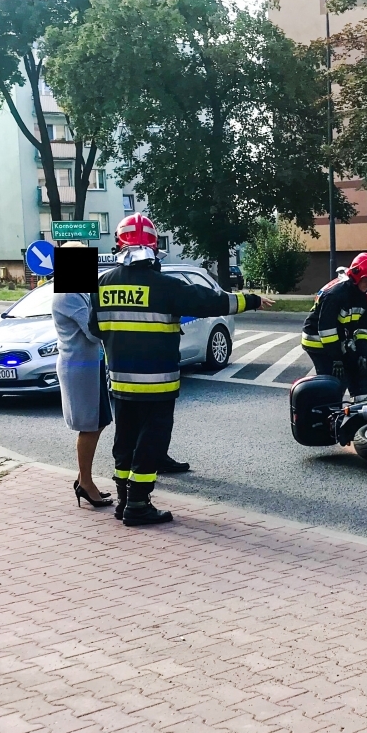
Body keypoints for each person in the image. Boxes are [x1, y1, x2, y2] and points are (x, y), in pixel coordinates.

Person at [93, 213, 271, 525]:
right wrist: (252, 299)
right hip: (157, 382)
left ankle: (123, 499)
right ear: (153, 247)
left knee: (125, 438)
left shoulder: (102, 285)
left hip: (120, 382)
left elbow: (93, 329)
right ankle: (138, 504)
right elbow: (211, 302)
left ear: (119, 246)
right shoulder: (165, 286)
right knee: (152, 441)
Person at [52, 243, 113, 509]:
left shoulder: (80, 290)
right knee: (88, 425)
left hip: (90, 363)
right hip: (77, 367)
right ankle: (85, 483)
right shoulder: (67, 294)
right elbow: (91, 331)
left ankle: (83, 479)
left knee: (98, 422)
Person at [303, 253, 367, 399]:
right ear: (358, 275)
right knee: (335, 381)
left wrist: (363, 353)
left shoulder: (360, 296)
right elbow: (326, 329)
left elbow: (363, 328)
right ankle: (328, 415)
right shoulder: (336, 294)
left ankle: (362, 413)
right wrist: (336, 358)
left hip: (338, 339)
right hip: (317, 340)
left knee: (361, 373)